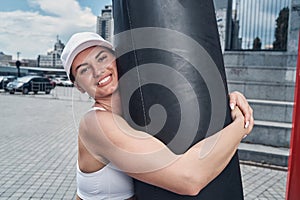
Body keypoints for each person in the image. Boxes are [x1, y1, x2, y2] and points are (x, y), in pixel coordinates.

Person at [61, 32, 254, 200]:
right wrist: (241, 123)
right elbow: (188, 178)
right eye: (84, 70)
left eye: (102, 58)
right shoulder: (95, 123)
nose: (98, 71)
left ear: (116, 59)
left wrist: (227, 103)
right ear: (78, 86)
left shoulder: (136, 110)